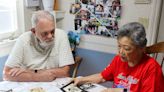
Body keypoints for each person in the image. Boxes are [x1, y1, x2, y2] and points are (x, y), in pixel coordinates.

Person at [73, 22, 164, 92]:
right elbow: (102, 76)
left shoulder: (152, 68)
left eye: (127, 48)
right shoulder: (119, 59)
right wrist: (81, 79)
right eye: (119, 46)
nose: (120, 52)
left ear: (141, 48)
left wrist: (122, 91)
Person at [3, 10, 74, 82]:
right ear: (34, 31)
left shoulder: (61, 35)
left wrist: (29, 72)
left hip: (55, 83)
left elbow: (65, 72)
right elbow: (6, 74)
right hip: (30, 84)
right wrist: (37, 77)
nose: (50, 36)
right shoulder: (23, 40)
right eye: (45, 33)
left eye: (52, 31)